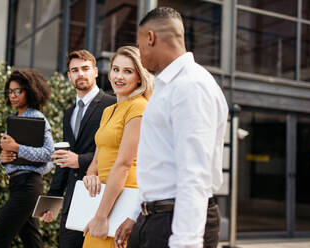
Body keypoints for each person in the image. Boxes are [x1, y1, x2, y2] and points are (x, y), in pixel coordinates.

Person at [114, 7, 229, 248]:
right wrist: (136, 214)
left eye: (140, 44)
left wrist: (185, 243)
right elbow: (158, 164)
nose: (140, 54)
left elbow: (194, 173)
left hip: (177, 223)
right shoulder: (166, 87)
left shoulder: (192, 86)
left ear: (151, 38)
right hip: (155, 218)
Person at [76, 46, 153, 248]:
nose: (119, 76)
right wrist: (90, 174)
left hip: (122, 198)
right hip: (101, 197)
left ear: (139, 77)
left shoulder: (139, 106)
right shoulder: (108, 110)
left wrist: (101, 217)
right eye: (116, 69)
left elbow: (124, 164)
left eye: (128, 71)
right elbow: (97, 157)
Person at [40, 50, 116, 248]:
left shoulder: (112, 104)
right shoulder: (69, 113)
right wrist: (52, 200)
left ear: (96, 71)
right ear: (69, 76)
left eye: (85, 69)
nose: (80, 74)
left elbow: (116, 151)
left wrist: (80, 160)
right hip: (73, 201)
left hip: (102, 196)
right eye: (75, 70)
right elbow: (64, 159)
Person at [0, 69, 54, 248]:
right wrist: (4, 157)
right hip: (17, 184)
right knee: (32, 241)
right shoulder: (13, 119)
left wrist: (16, 148)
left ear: (30, 91)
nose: (13, 95)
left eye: (18, 91)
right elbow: (9, 159)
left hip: (28, 186)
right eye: (10, 92)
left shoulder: (38, 118)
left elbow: (49, 153)